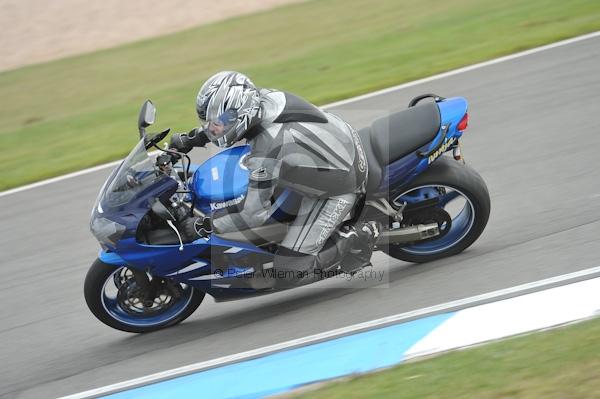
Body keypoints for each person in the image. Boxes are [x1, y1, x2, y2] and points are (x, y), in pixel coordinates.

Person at [169, 71, 379, 287]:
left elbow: (252, 215)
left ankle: (359, 235)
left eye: (219, 121)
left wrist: (203, 225)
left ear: (241, 112)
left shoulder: (266, 149)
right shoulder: (263, 98)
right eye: (211, 122)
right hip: (337, 143)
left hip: (341, 185)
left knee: (288, 269)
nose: (214, 128)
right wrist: (190, 139)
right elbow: (225, 123)